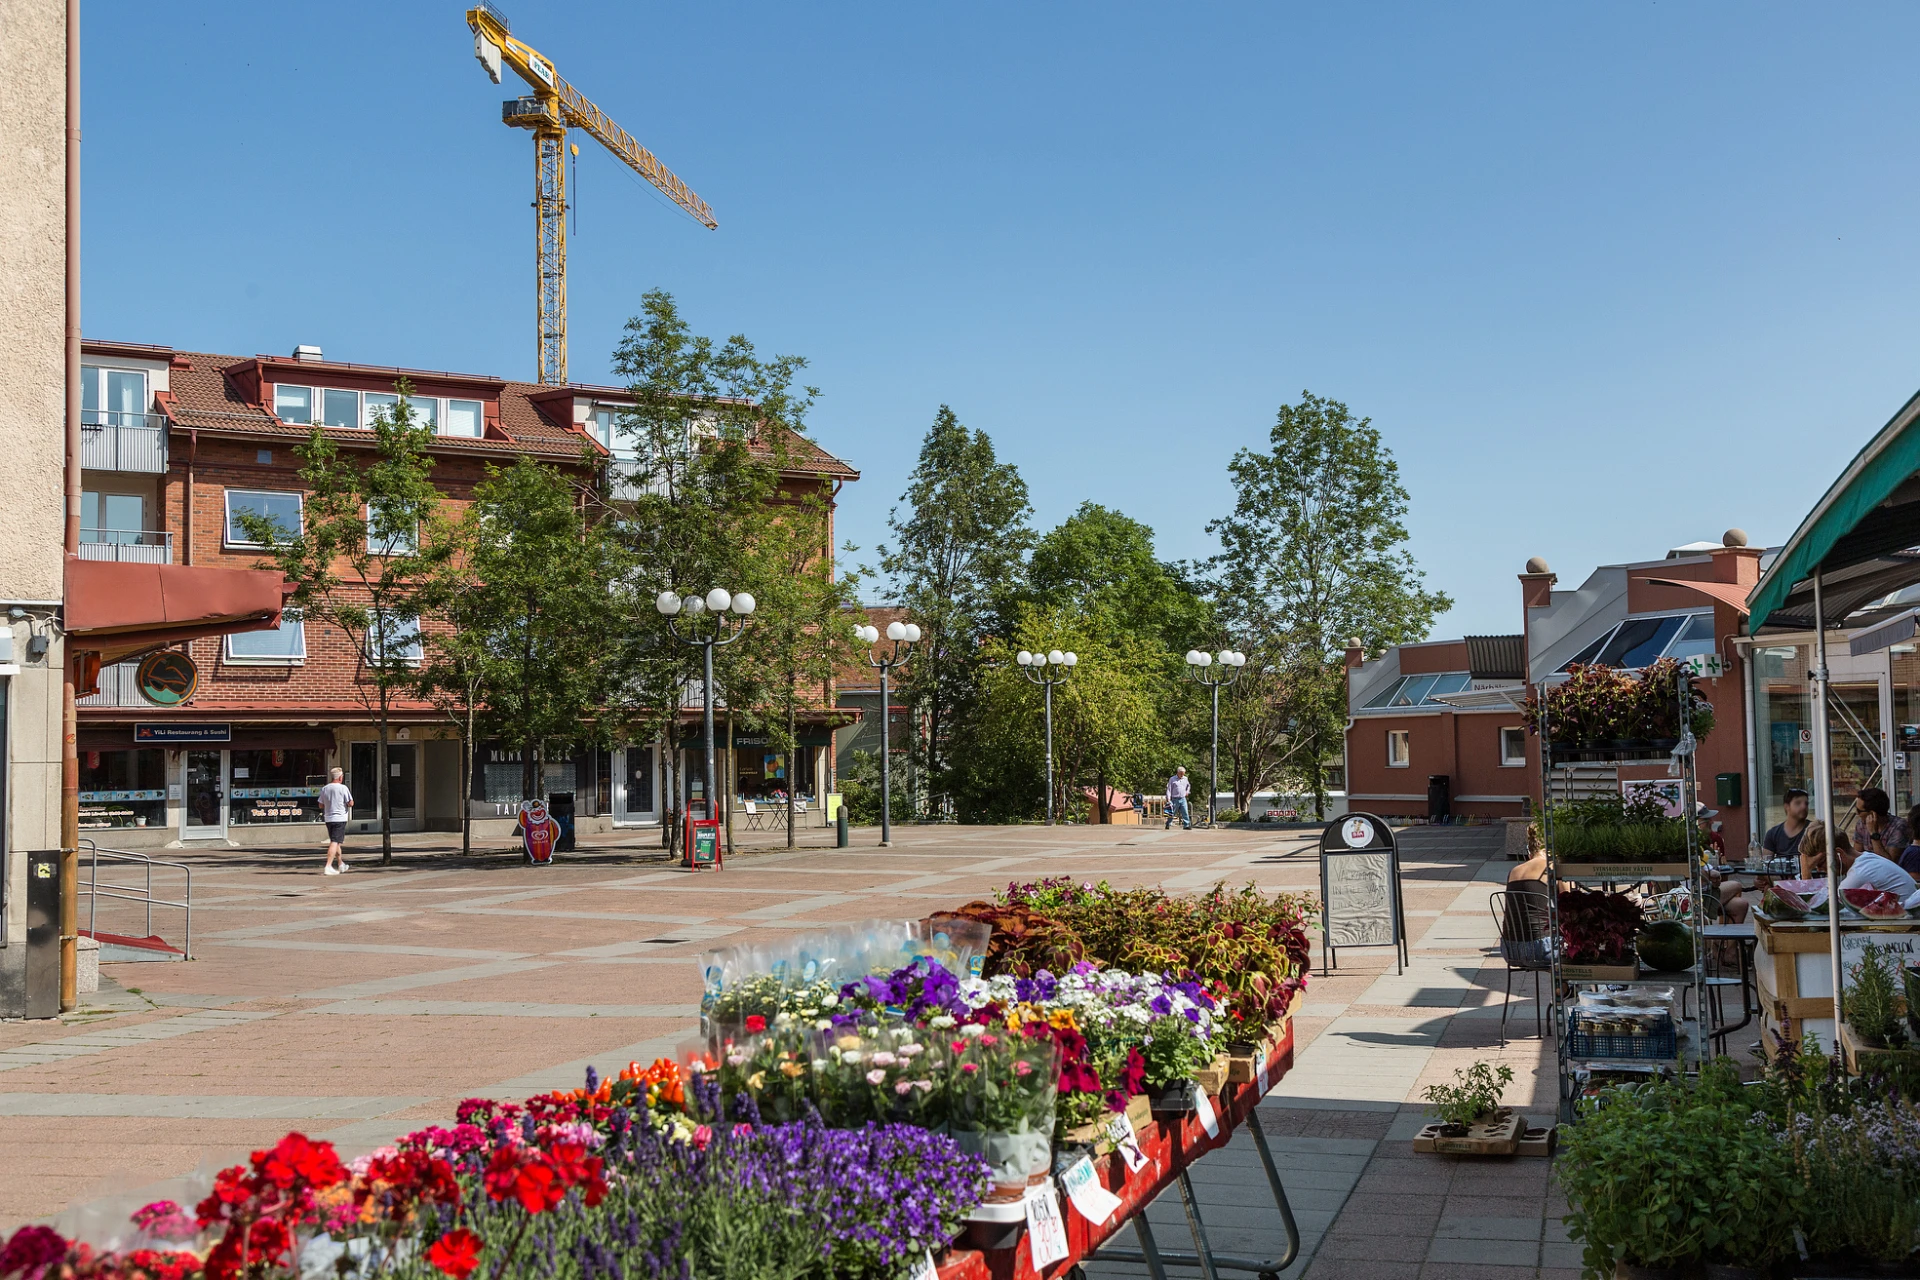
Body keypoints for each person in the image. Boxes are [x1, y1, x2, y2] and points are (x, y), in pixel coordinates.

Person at [1851, 787, 1910, 866]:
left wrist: (1873, 834)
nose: (1857, 814)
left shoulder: (1898, 827)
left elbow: (1888, 864)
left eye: (1859, 811)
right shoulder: (1861, 825)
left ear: (1872, 814)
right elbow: (1856, 856)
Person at [318, 767, 353, 876]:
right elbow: (350, 803)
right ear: (340, 777)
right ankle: (328, 865)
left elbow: (320, 804)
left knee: (335, 841)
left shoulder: (325, 788)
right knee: (334, 842)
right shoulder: (343, 788)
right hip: (340, 818)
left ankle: (340, 863)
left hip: (329, 818)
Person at [1763, 788, 1810, 862]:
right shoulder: (1773, 834)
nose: (1804, 807)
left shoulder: (1814, 831)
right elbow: (1766, 866)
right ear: (1786, 806)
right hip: (1780, 873)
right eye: (1798, 803)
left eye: (1806, 804)